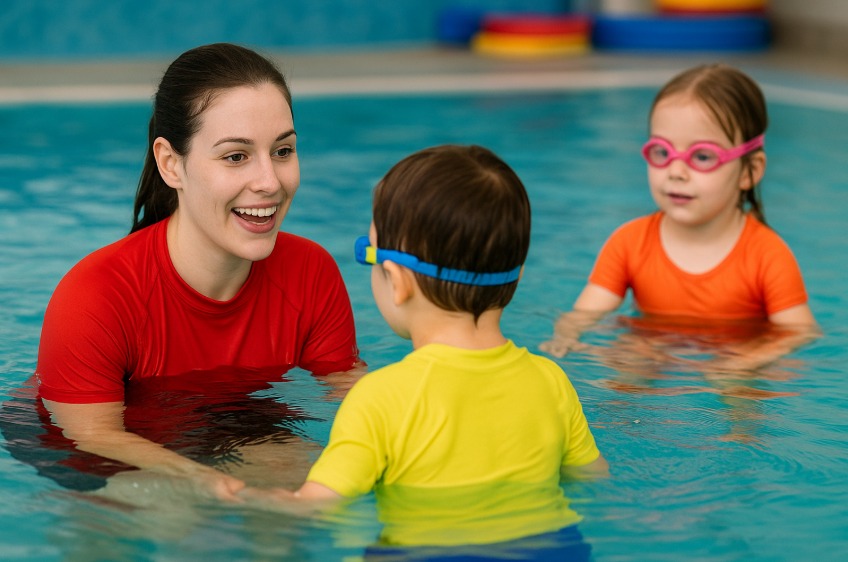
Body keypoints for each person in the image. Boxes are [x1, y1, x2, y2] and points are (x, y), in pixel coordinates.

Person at [31, 43, 360, 500]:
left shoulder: (310, 271)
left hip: (227, 419)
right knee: (171, 508)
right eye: (236, 156)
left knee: (296, 477)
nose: (270, 181)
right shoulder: (96, 294)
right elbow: (90, 434)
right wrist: (206, 482)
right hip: (85, 445)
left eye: (283, 151)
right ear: (172, 164)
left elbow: (354, 394)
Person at [240, 144, 608, 552]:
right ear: (517, 277)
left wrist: (226, 492)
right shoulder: (551, 382)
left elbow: (316, 505)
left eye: (368, 255)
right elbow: (592, 478)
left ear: (397, 281)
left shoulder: (380, 398)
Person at [541, 63, 818, 370]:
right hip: (652, 348)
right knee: (630, 361)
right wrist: (566, 336)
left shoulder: (767, 255)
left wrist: (747, 360)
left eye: (702, 156)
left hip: (737, 357)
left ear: (749, 171)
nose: (676, 172)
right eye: (662, 152)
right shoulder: (629, 243)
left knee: (745, 386)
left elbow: (799, 332)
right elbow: (583, 314)